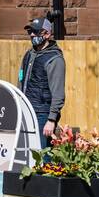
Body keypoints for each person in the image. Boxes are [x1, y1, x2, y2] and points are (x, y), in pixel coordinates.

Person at [19, 17, 65, 149]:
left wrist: (51, 120)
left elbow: (58, 93)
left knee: (42, 153)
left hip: (43, 114)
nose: (32, 35)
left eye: (36, 32)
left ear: (47, 34)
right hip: (26, 109)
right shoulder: (29, 54)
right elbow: (21, 80)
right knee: (26, 151)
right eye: (30, 32)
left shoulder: (54, 59)